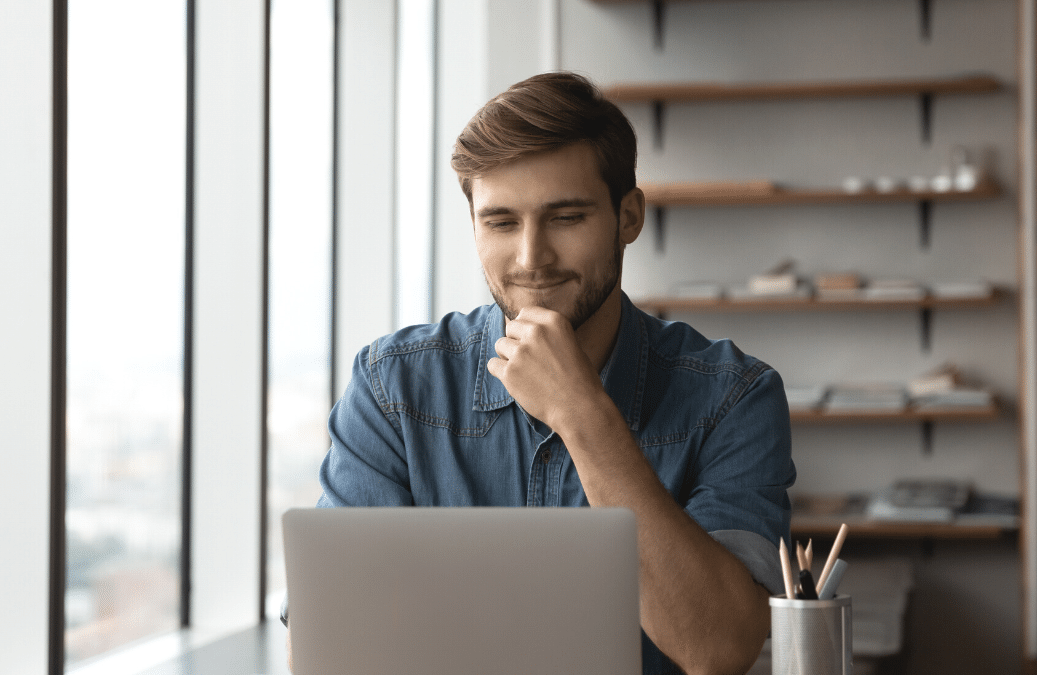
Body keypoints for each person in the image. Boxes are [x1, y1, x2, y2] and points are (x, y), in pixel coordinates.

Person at [287, 71, 795, 675]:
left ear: (627, 217)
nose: (532, 259)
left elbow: (718, 648)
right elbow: (333, 645)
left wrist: (583, 416)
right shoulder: (392, 388)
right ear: (474, 226)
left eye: (566, 218)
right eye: (501, 222)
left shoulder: (733, 397)